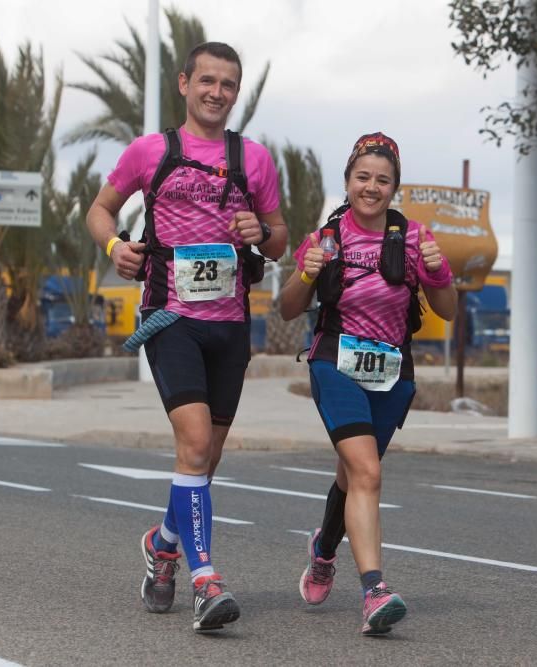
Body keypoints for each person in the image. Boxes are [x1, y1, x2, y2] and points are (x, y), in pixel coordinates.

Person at [86, 41, 286, 633]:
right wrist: (114, 246)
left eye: (228, 84)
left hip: (230, 324)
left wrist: (262, 231)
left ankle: (162, 543)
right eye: (207, 81)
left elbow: (279, 239)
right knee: (195, 444)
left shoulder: (254, 159)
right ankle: (206, 583)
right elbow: (101, 209)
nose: (217, 92)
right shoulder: (151, 152)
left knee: (205, 458)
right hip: (169, 319)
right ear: (184, 83)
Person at [279, 132, 457, 635]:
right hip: (335, 363)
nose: (371, 187)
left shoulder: (414, 239)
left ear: (394, 187)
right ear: (348, 182)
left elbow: (447, 311)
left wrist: (441, 273)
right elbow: (288, 308)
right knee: (368, 473)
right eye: (363, 178)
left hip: (390, 372)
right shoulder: (326, 239)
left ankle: (322, 551)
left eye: (382, 179)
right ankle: (375, 591)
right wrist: (306, 274)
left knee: (353, 476)